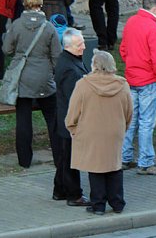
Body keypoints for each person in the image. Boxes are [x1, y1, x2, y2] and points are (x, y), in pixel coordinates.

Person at [65, 50, 133, 216]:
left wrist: (73, 128)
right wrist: (122, 128)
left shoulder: (84, 84)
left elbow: (73, 111)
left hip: (91, 131)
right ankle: (117, 203)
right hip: (114, 131)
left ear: (94, 65)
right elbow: (129, 111)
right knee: (114, 165)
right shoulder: (122, 85)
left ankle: (98, 205)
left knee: (95, 168)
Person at [3, 0, 61, 168]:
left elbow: (7, 49)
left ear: (24, 3)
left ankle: (24, 160)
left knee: (23, 120)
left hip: (22, 79)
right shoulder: (49, 28)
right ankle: (60, 158)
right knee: (53, 119)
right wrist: (49, 71)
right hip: (44, 79)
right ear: (41, 3)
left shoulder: (16, 25)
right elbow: (57, 56)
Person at [119, 0, 156, 175]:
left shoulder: (131, 22)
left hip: (132, 78)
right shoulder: (155, 29)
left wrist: (132, 63)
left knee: (130, 121)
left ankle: (125, 158)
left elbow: (123, 50)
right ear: (155, 8)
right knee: (147, 123)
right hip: (149, 81)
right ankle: (146, 162)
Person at [52, 28, 89, 206]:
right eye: (79, 44)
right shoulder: (70, 69)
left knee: (65, 157)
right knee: (70, 160)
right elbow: (75, 98)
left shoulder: (70, 61)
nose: (84, 46)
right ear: (68, 46)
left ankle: (59, 190)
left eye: (82, 42)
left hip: (65, 118)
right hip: (70, 120)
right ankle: (74, 195)